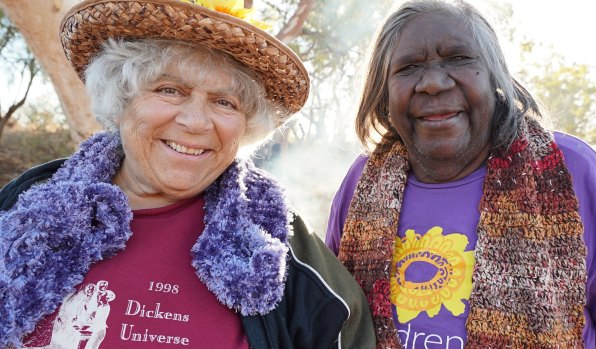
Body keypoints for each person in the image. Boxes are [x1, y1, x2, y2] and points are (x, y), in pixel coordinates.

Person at [0, 0, 376, 348]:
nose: (196, 121)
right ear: (121, 99)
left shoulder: (278, 247)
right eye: (170, 90)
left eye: (224, 102)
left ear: (246, 126)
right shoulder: (24, 207)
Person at [325, 1, 596, 348]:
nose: (433, 83)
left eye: (459, 58)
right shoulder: (362, 180)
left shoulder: (570, 168)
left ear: (495, 77)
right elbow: (332, 311)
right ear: (384, 92)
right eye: (409, 66)